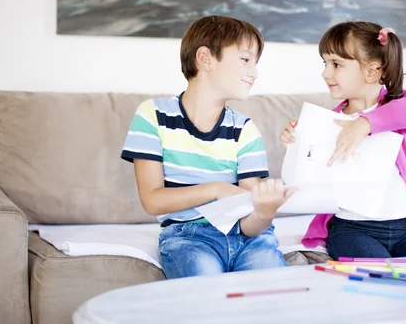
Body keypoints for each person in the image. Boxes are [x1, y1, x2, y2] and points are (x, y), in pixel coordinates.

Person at [122, 15, 296, 279]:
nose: (255, 73)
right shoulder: (153, 115)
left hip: (250, 239)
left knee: (276, 292)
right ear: (205, 59)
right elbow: (152, 200)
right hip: (188, 238)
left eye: (255, 63)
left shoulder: (245, 129)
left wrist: (264, 210)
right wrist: (216, 189)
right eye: (246, 60)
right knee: (208, 298)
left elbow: (250, 225)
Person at [280, 21, 406, 259]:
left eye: (336, 64)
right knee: (379, 276)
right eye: (325, 63)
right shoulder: (329, 121)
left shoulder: (402, 109)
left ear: (372, 71)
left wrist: (365, 124)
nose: (325, 73)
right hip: (352, 229)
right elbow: (310, 177)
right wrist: (295, 145)